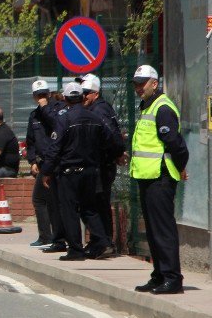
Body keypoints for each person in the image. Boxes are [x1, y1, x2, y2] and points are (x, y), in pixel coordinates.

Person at [40, 82, 117, 261]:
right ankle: (102, 239)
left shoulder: (64, 119)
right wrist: (115, 155)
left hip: (69, 172)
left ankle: (76, 249)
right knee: (89, 208)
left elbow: (55, 147)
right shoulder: (95, 118)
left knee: (69, 210)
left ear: (66, 99)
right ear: (82, 98)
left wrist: (47, 171)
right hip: (92, 170)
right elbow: (110, 140)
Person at [129, 65, 189, 295]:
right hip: (148, 176)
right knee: (153, 230)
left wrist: (181, 166)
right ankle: (159, 274)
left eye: (142, 83)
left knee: (163, 229)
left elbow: (175, 144)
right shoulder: (148, 106)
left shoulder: (162, 108)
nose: (138, 88)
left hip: (161, 177)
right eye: (135, 83)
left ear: (155, 83)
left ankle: (173, 278)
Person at [81, 73, 125, 245]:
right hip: (100, 164)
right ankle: (100, 240)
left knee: (99, 204)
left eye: (86, 92)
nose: (83, 96)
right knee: (97, 203)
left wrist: (117, 153)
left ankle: (104, 241)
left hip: (101, 165)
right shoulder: (97, 108)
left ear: (95, 94)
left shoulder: (99, 110)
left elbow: (113, 136)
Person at [26, 80, 63, 247]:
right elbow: (31, 140)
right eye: (38, 95)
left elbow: (56, 124)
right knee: (42, 200)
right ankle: (47, 236)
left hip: (54, 161)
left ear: (48, 93)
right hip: (42, 162)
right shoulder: (34, 115)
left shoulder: (56, 109)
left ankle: (54, 237)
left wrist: (44, 107)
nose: (41, 98)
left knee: (49, 200)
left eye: (43, 94)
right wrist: (32, 160)